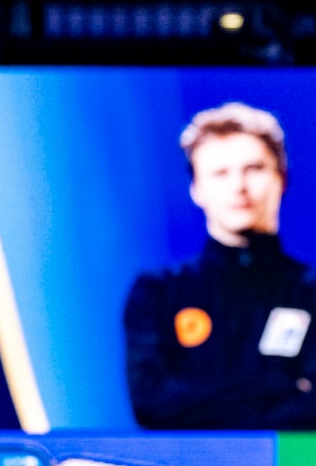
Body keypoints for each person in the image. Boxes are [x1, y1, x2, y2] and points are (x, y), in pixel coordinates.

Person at [124, 102, 316, 430]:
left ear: (281, 179)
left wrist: (201, 401)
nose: (238, 187)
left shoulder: (310, 290)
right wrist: (280, 384)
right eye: (220, 173)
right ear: (196, 189)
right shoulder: (158, 291)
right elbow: (151, 402)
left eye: (254, 168)